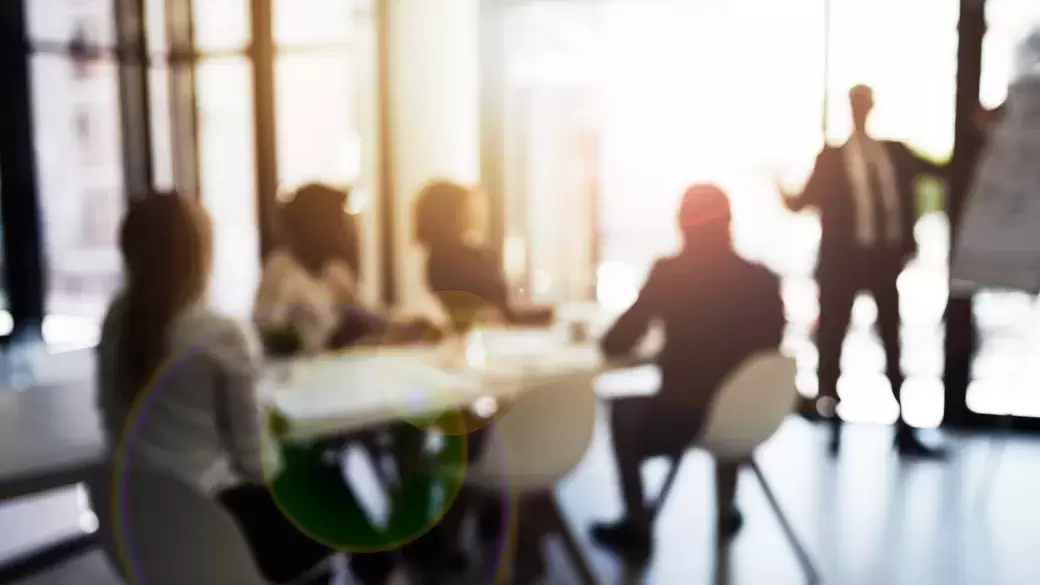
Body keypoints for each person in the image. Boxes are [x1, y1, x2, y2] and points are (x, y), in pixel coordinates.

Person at [96, 194, 398, 585]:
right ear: (200, 252)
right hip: (211, 527)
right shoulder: (217, 334)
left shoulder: (114, 322)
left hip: (134, 521)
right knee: (348, 501)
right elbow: (255, 464)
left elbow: (110, 420)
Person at [589, 184, 786, 563]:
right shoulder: (762, 279)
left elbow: (616, 342)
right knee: (727, 396)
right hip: (750, 417)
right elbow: (768, 355)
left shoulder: (671, 273)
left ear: (682, 223)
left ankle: (635, 524)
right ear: (729, 223)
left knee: (622, 412)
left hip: (684, 416)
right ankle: (726, 511)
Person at [780, 84, 947, 458]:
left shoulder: (893, 151)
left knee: (891, 339)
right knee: (833, 342)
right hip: (842, 265)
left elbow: (941, 171)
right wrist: (779, 188)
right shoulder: (832, 158)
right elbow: (803, 202)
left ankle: (903, 427)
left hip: (883, 262)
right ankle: (833, 422)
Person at [414, 180, 553, 332]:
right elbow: (493, 314)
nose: (475, 214)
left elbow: (502, 312)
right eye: (467, 208)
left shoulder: (445, 261)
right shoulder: (454, 262)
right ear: (451, 214)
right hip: (488, 337)